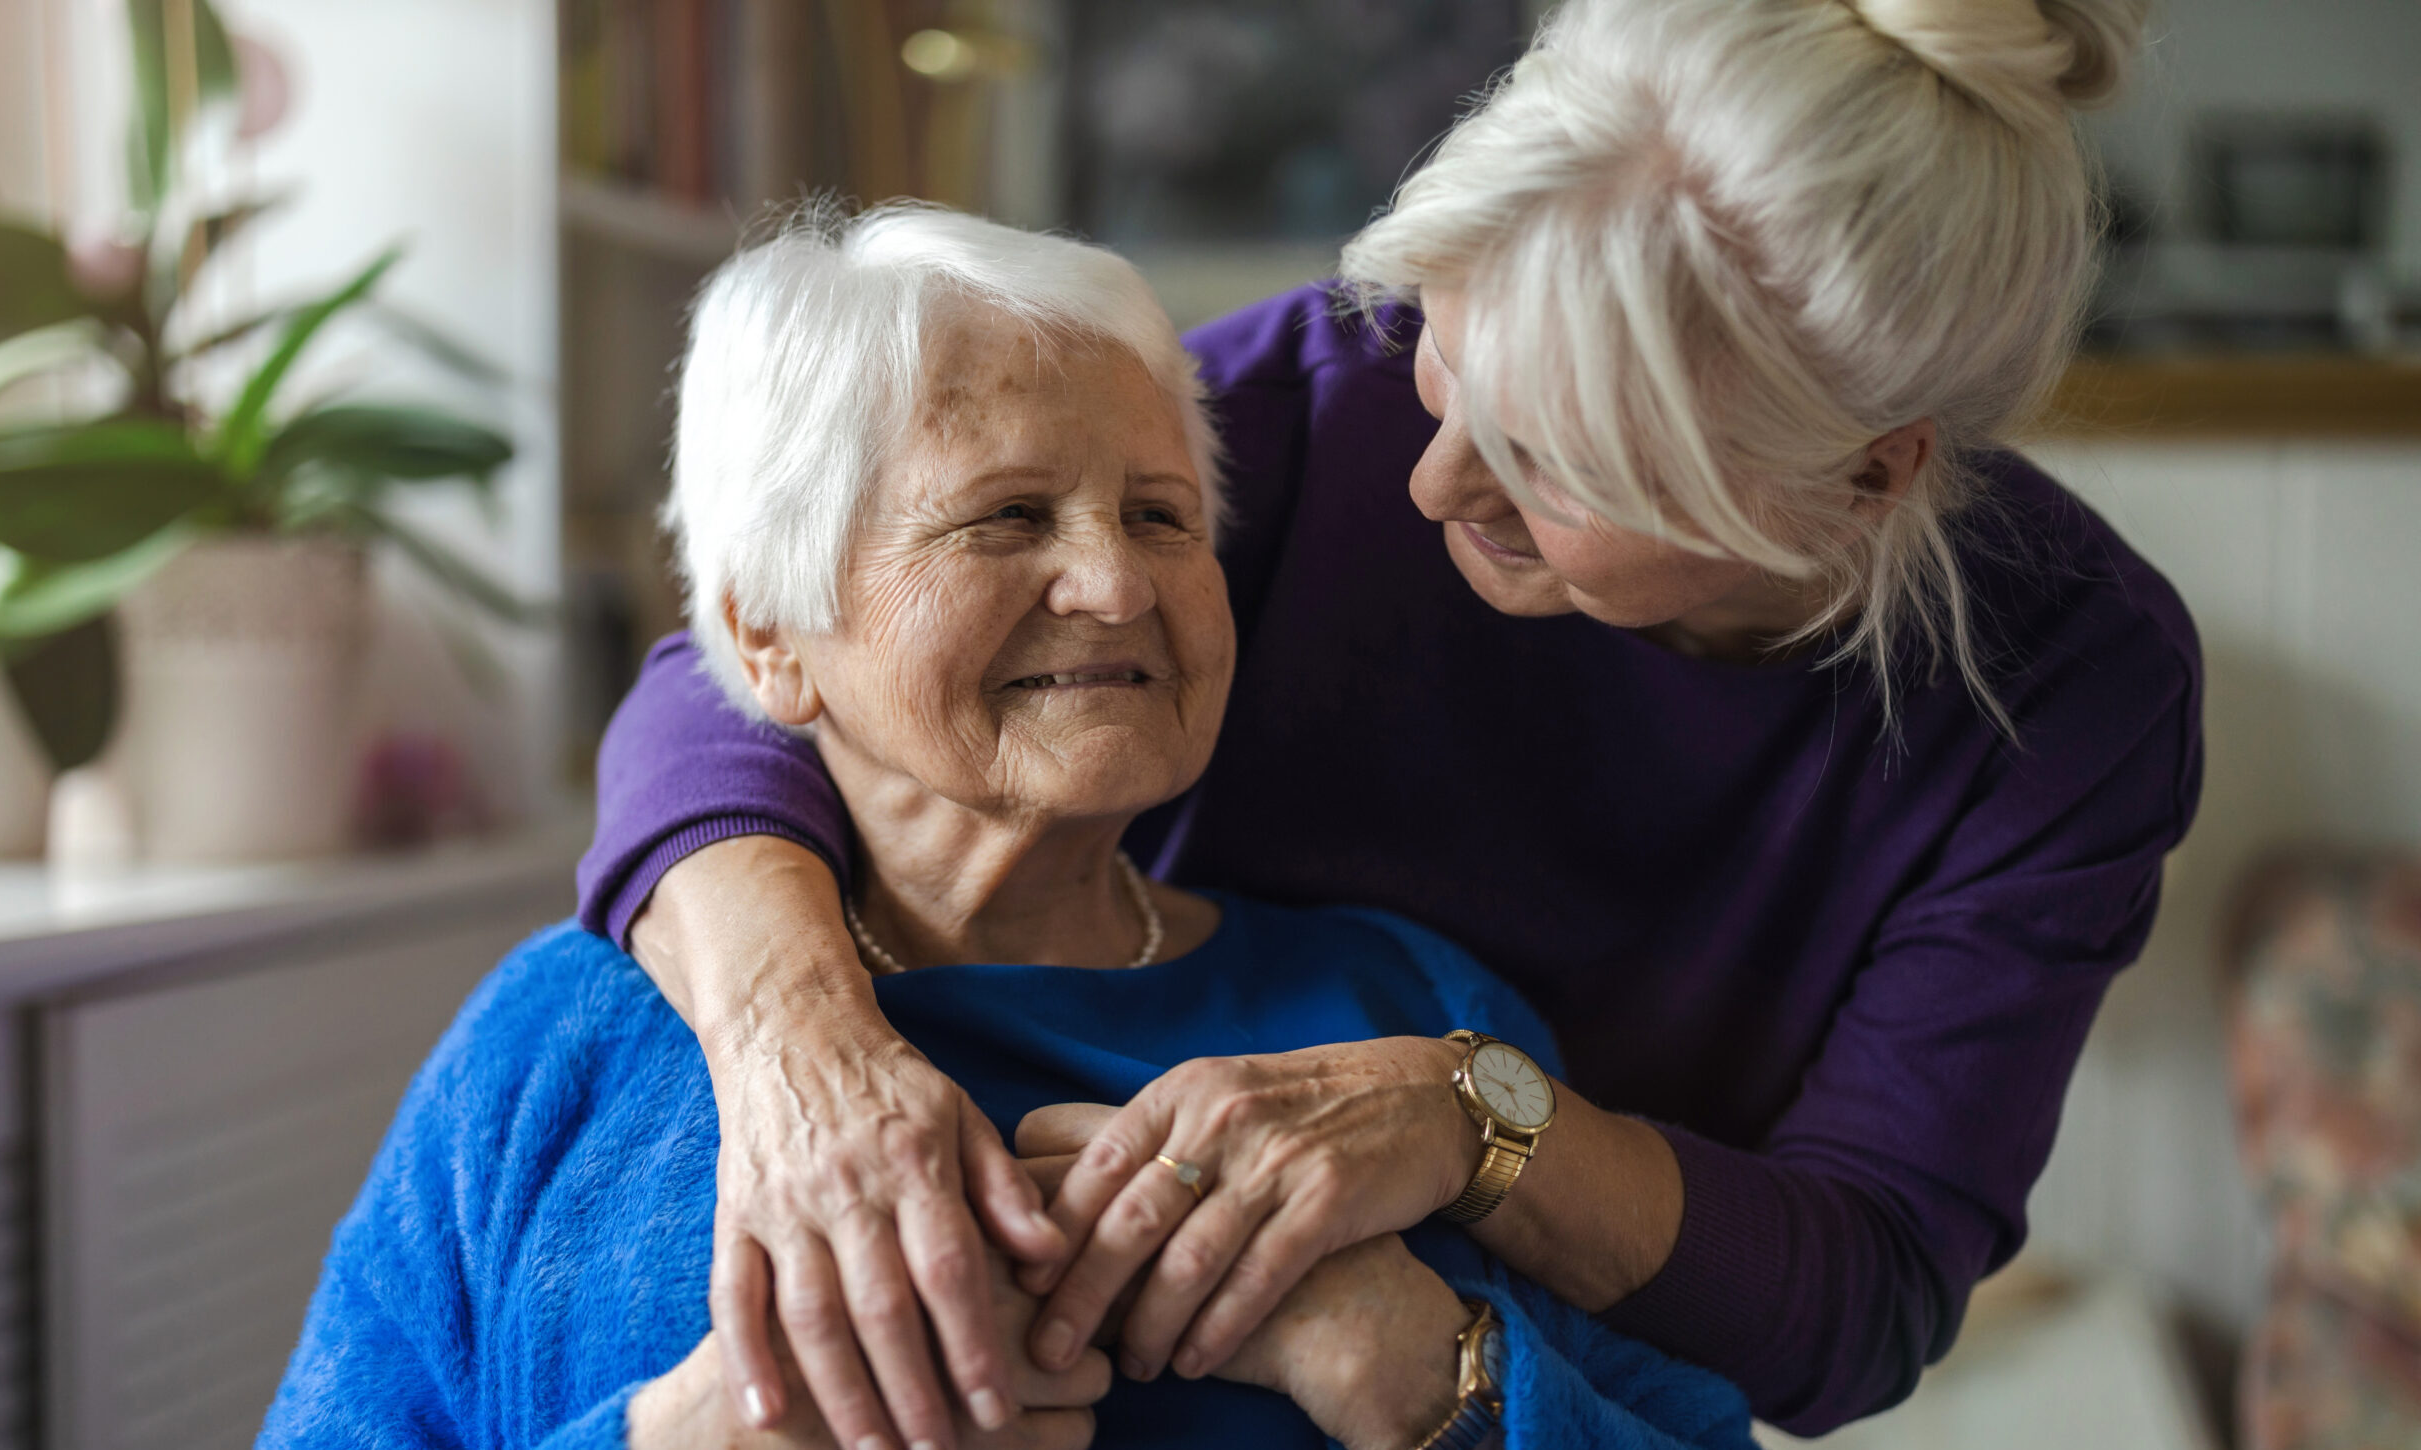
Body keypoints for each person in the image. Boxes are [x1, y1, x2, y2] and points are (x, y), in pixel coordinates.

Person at [580, 0, 2203, 1442]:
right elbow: (752, 667)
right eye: (1448, 357)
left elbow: (1862, 1297)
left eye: (1560, 462)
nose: (1433, 484)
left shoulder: (2073, 682)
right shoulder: (1321, 398)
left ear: (1869, 474)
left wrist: (1469, 1127)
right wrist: (805, 1052)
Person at [257, 207, 1757, 1450]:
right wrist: (699, 1435)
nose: (1116, 582)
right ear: (768, 632)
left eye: (1163, 516)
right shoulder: (564, 1038)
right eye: (1006, 517)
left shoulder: (1414, 1016)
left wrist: (1423, 1366)